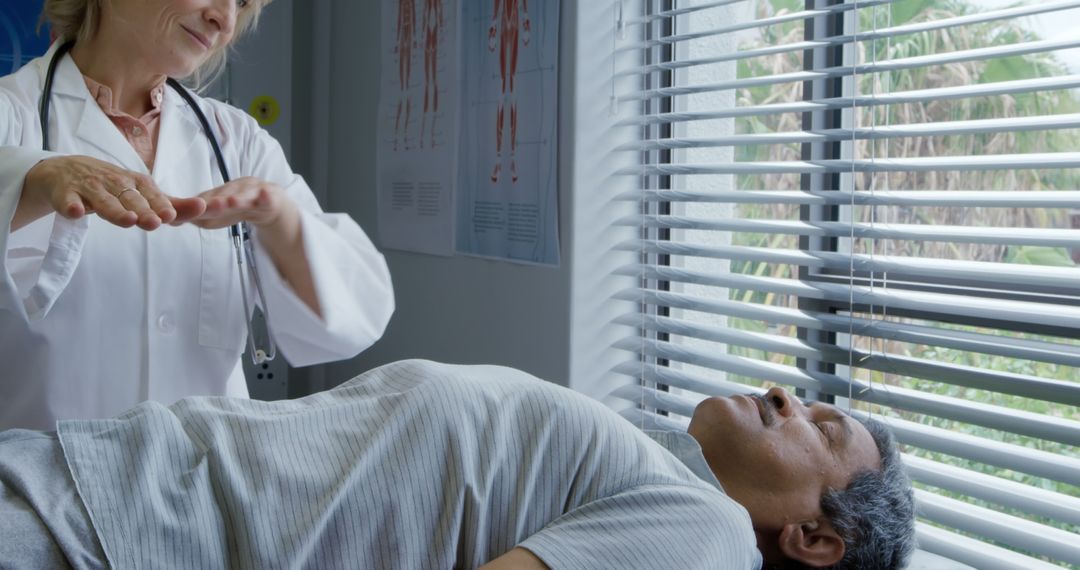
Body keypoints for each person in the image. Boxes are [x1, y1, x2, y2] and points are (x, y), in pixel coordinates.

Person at [0, 359, 916, 569]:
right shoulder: (658, 473)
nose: (791, 397)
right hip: (117, 476)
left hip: (120, 534)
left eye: (822, 429)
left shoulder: (709, 537)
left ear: (815, 540)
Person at [0, 0, 395, 430]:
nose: (224, 20)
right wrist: (32, 181)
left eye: (242, 4)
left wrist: (281, 221)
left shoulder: (236, 142)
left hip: (202, 484)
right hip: (45, 484)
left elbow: (353, 318)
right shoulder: (11, 115)